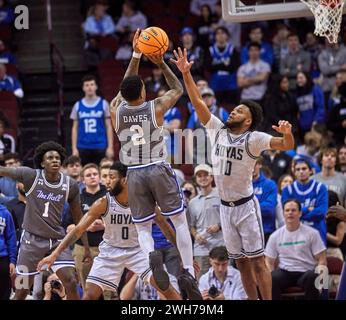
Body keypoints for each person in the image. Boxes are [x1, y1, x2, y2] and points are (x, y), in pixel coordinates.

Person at [171, 47, 295, 300]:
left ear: (248, 121)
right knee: (242, 264)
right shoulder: (217, 129)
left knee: (258, 261)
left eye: (239, 111)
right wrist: (186, 73)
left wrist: (287, 132)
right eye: (234, 109)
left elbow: (286, 146)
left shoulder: (254, 138)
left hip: (246, 207)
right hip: (225, 208)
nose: (233, 112)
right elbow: (197, 102)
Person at [109, 30, 202, 300]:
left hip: (134, 174)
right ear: (142, 90)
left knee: (142, 228)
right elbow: (178, 89)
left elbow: (124, 87)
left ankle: (152, 257)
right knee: (179, 221)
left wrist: (136, 54)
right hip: (158, 167)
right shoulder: (155, 107)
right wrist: (160, 61)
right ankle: (188, 272)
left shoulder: (116, 110)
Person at [37, 162, 181, 300]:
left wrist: (184, 255)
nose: (107, 181)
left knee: (166, 289)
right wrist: (54, 254)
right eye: (106, 177)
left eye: (112, 177)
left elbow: (166, 227)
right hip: (111, 251)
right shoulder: (103, 203)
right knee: (90, 295)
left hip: (138, 250)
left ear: (125, 180)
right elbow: (78, 230)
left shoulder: (144, 202)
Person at [0, 141, 91, 300]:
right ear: (42, 162)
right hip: (31, 241)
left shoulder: (70, 185)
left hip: (57, 240)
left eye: (57, 157)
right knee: (21, 290)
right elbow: (4, 170)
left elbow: (79, 219)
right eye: (50, 158)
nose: (55, 160)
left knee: (70, 282)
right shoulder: (31, 176)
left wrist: (86, 247)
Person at [265, 199, 327, 300]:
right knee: (271, 278)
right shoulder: (275, 236)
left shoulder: (312, 233)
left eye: (293, 210)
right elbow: (268, 261)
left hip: (306, 272)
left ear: (300, 213)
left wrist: (320, 280)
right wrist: (268, 278)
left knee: (313, 277)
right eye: (287, 210)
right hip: (285, 272)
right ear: (283, 213)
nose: (290, 213)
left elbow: (322, 259)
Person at [63, 163, 106, 289]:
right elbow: (68, 227)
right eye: (88, 175)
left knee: (109, 289)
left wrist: (103, 225)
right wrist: (87, 226)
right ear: (82, 179)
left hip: (106, 247)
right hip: (82, 249)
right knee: (86, 287)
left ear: (100, 177)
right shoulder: (77, 200)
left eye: (95, 174)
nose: (92, 177)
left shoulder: (109, 197)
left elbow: (120, 223)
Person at [188, 164, 224, 279]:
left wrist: (219, 226)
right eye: (199, 176)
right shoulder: (192, 202)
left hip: (220, 244)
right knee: (200, 282)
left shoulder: (221, 196)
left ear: (212, 177)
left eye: (205, 175)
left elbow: (229, 218)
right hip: (201, 248)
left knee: (222, 279)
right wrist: (196, 235)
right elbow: (191, 226)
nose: (203, 178)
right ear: (196, 179)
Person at [281, 159, 328, 244]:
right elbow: (288, 214)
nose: (301, 172)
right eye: (298, 169)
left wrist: (298, 215)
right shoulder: (287, 190)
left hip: (318, 233)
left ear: (310, 171)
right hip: (295, 236)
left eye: (304, 168)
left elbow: (322, 212)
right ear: (294, 172)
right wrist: (307, 209)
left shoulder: (320, 188)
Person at [70, 75, 114, 166]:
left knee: (101, 173)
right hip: (82, 146)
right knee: (84, 173)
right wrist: (74, 148)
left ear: (96, 86)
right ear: (83, 88)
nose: (89, 87)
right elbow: (74, 128)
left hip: (100, 145)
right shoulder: (77, 105)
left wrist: (110, 147)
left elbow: (109, 127)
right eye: (87, 85)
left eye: (91, 84)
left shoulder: (104, 104)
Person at [252, 158, 277, 243]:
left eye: (254, 164)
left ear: (259, 164)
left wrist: (248, 208)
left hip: (266, 230)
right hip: (247, 231)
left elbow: (269, 208)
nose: (251, 167)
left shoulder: (270, 184)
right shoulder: (241, 185)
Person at [0, 204, 16, 300]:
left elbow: (11, 238)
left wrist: (12, 261)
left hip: (3, 258)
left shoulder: (5, 213)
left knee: (4, 292)